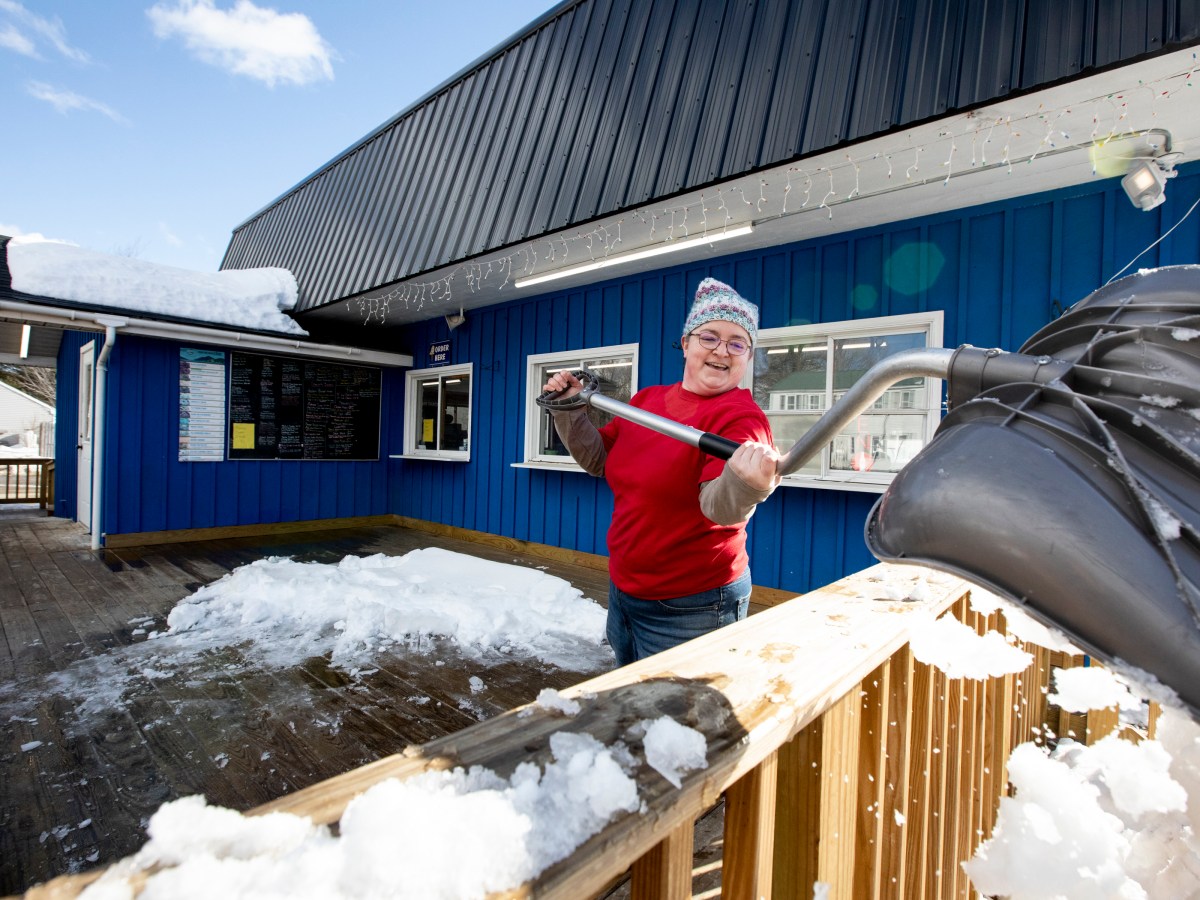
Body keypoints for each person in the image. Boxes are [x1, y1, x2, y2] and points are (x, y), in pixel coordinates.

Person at [542, 277, 781, 666]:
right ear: (686, 343)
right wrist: (569, 408)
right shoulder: (646, 401)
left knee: (679, 705)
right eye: (709, 337)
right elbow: (598, 460)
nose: (722, 350)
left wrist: (745, 484)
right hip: (624, 588)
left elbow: (720, 508)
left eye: (737, 343)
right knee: (630, 695)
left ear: (748, 356)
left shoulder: (741, 419)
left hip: (694, 605)